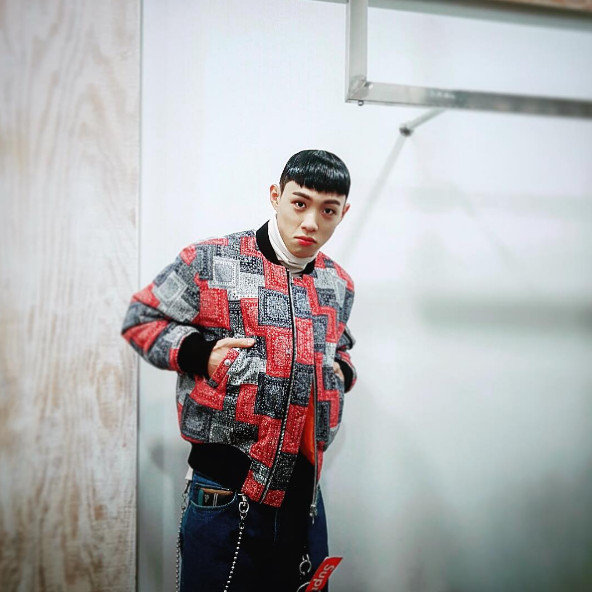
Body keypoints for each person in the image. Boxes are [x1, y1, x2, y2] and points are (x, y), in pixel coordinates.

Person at [122, 149, 356, 591]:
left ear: (343, 213)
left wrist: (341, 373)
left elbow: (340, 345)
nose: (311, 223)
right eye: (299, 203)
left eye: (327, 211)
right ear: (276, 196)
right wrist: (201, 354)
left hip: (305, 495)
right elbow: (141, 318)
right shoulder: (211, 262)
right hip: (226, 492)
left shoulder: (338, 283)